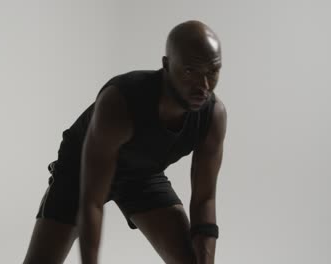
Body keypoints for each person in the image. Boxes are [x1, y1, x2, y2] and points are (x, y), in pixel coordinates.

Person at [23, 20, 227, 264]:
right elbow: (91, 201)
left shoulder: (212, 116)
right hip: (80, 175)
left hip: (141, 174)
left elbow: (205, 199)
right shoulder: (121, 104)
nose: (203, 87)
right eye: (189, 71)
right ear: (166, 66)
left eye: (212, 71)